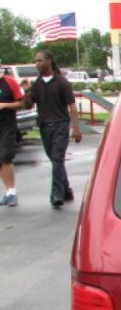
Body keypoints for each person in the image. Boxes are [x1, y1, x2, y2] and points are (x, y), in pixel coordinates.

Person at [24, 50, 82, 209]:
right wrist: (27, 92)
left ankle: (57, 194)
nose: (37, 64)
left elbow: (71, 105)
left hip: (60, 125)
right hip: (44, 126)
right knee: (56, 161)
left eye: (40, 60)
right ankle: (67, 190)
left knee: (57, 159)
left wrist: (75, 127)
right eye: (35, 61)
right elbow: (28, 105)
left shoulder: (61, 82)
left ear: (49, 61)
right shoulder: (37, 84)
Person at [0, 67, 25, 207]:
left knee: (6, 157)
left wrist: (4, 105)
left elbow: (21, 103)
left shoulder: (9, 82)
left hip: (7, 125)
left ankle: (13, 191)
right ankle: (8, 191)